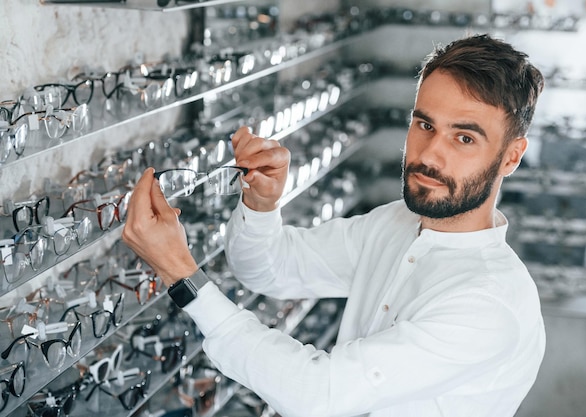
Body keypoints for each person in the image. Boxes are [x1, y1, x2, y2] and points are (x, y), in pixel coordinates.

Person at [123, 33, 546, 417]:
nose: (430, 155)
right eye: (425, 124)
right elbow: (270, 269)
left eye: (464, 137)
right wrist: (261, 204)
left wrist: (181, 274)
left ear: (511, 156)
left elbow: (318, 395)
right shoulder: (400, 223)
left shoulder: (490, 305)